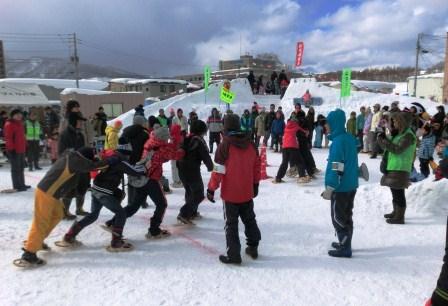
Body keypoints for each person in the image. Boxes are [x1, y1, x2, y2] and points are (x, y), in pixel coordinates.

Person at [13, 147, 115, 267]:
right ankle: (29, 253)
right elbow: (92, 166)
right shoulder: (75, 160)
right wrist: (110, 161)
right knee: (41, 222)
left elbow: (82, 171)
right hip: (47, 193)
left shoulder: (71, 157)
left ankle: (37, 241)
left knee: (58, 214)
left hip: (52, 194)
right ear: (84, 158)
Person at [60, 145, 146, 252]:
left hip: (96, 189)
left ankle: (69, 235)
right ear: (126, 154)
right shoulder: (120, 161)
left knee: (93, 215)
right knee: (121, 213)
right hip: (104, 192)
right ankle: (116, 242)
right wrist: (145, 167)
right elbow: (134, 171)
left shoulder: (111, 157)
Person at [105, 125, 185, 239]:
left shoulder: (150, 142)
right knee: (162, 204)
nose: (167, 140)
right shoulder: (161, 148)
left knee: (134, 206)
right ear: (162, 138)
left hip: (141, 177)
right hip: (151, 179)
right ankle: (154, 230)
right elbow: (175, 155)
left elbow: (163, 156)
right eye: (166, 138)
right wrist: (182, 149)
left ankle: (113, 222)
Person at [207, 114, 261, 264]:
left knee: (231, 224)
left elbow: (217, 171)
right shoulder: (251, 144)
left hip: (230, 194)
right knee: (250, 219)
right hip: (246, 192)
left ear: (225, 127)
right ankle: (253, 246)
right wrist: (255, 184)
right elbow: (256, 167)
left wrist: (211, 189)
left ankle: (234, 255)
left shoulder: (224, 145)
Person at [321, 109, 359, 258]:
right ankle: (345, 242)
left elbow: (336, 164)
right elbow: (349, 162)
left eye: (328, 123)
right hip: (351, 184)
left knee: (338, 217)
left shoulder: (338, 142)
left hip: (341, 187)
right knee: (347, 215)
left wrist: (331, 186)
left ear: (334, 124)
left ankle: (345, 247)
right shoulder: (349, 138)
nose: (326, 126)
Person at [377, 112, 417, 225]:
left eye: (395, 121)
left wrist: (385, 140)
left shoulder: (408, 135)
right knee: (394, 190)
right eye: (393, 121)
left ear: (402, 122)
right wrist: (382, 138)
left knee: (399, 193)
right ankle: (396, 212)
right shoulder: (399, 134)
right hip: (393, 165)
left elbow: (397, 150)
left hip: (401, 167)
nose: (393, 123)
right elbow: (387, 147)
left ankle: (400, 217)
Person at [177, 120, 214, 224]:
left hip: (181, 168)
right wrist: (210, 167)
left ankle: (192, 212)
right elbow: (205, 155)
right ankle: (184, 213)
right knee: (199, 194)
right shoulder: (198, 140)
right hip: (192, 170)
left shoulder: (186, 137)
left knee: (189, 191)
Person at [59, 112, 89, 219]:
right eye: (79, 121)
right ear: (73, 121)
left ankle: (79, 208)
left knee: (83, 185)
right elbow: (62, 152)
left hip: (81, 165)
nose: (81, 123)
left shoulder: (80, 134)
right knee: (70, 188)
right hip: (70, 166)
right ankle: (64, 211)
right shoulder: (65, 134)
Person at [4, 109, 29, 191]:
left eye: (20, 114)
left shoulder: (20, 124)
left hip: (21, 149)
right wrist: (11, 149)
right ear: (12, 115)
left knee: (21, 167)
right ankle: (17, 186)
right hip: (14, 150)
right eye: (17, 114)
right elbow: (8, 138)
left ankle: (22, 184)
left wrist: (26, 145)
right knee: (15, 169)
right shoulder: (9, 124)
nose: (19, 116)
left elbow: (22, 137)